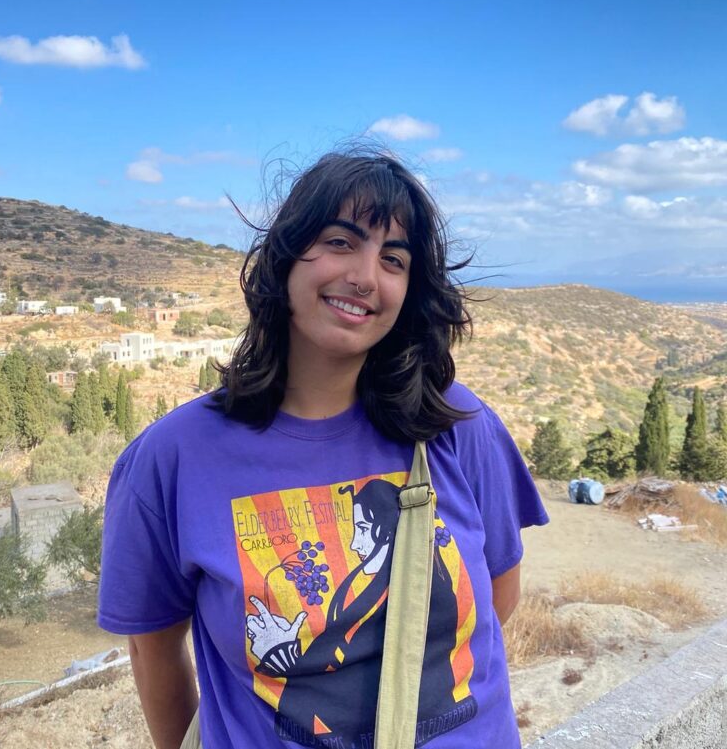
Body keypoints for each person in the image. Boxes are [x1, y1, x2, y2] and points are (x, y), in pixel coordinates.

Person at [98, 150, 549, 749]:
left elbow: (497, 597)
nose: (366, 275)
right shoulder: (173, 458)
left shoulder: (455, 423)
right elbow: (154, 652)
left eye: (394, 259)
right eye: (341, 241)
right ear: (284, 259)